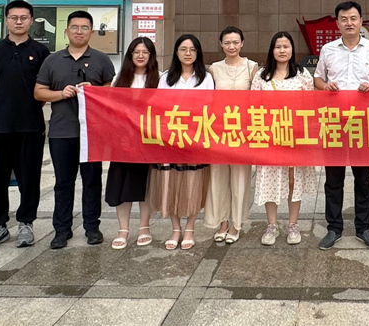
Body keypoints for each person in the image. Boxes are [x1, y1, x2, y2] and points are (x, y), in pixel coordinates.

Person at [34, 10, 115, 249]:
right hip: (62, 132)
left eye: (84, 27)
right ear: (66, 31)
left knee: (92, 181)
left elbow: (113, 93)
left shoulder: (102, 60)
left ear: (92, 32)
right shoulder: (52, 60)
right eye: (75, 27)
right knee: (63, 182)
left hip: (92, 133)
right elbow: (39, 92)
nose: (79, 32)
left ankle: (92, 227)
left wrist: (95, 91)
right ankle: (62, 230)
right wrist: (61, 93)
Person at [314, 1, 369, 250]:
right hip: (334, 121)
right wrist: (325, 86)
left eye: (353, 18)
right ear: (337, 23)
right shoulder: (328, 49)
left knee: (363, 178)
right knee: (333, 179)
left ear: (361, 21)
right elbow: (318, 78)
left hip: (363, 122)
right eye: (344, 19)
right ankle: (334, 228)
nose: (349, 23)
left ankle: (363, 228)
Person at [0, 0, 50, 251]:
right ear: (6, 20)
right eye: (14, 17)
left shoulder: (41, 52)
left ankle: (26, 223)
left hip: (30, 126)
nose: (19, 21)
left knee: (29, 178)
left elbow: (43, 90)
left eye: (24, 17)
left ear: (31, 20)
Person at [251, 31, 318, 246]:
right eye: (278, 46)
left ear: (292, 49)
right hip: (269, 136)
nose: (282, 50)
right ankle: (272, 225)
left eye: (286, 46)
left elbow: (310, 105)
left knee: (293, 179)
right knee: (269, 177)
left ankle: (293, 224)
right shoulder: (261, 76)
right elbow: (253, 106)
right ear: (272, 50)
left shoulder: (302, 74)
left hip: (295, 136)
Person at [150, 34, 214, 251]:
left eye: (192, 49)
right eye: (183, 49)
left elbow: (210, 107)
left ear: (198, 53)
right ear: (176, 52)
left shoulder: (206, 78)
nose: (188, 53)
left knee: (193, 183)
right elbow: (158, 108)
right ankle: (175, 228)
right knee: (171, 182)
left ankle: (190, 229)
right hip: (171, 138)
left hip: (195, 138)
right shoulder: (166, 78)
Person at [105, 37, 161, 249]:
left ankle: (144, 227)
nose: (140, 56)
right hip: (123, 141)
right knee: (121, 184)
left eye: (145, 52)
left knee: (145, 185)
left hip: (148, 141)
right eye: (136, 52)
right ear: (130, 55)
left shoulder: (159, 80)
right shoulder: (119, 79)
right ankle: (123, 229)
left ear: (151, 56)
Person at [204, 26, 257, 245]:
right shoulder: (214, 69)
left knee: (240, 178)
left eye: (235, 42)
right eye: (227, 42)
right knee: (217, 176)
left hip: (243, 131)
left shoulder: (252, 67)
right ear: (221, 44)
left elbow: (258, 99)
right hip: (218, 130)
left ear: (242, 43)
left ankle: (237, 223)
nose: (231, 46)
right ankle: (222, 222)